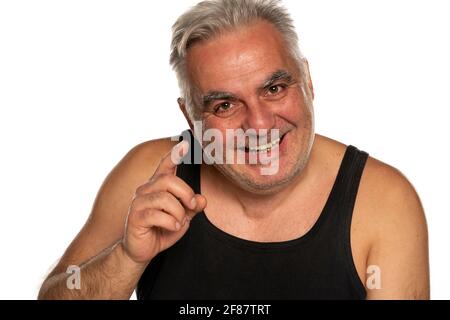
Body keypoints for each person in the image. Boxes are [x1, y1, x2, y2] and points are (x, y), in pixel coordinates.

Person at [38, 0, 429, 300]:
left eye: (274, 88)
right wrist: (128, 257)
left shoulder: (383, 201)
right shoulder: (150, 174)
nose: (258, 125)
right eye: (224, 105)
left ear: (308, 81)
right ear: (191, 118)